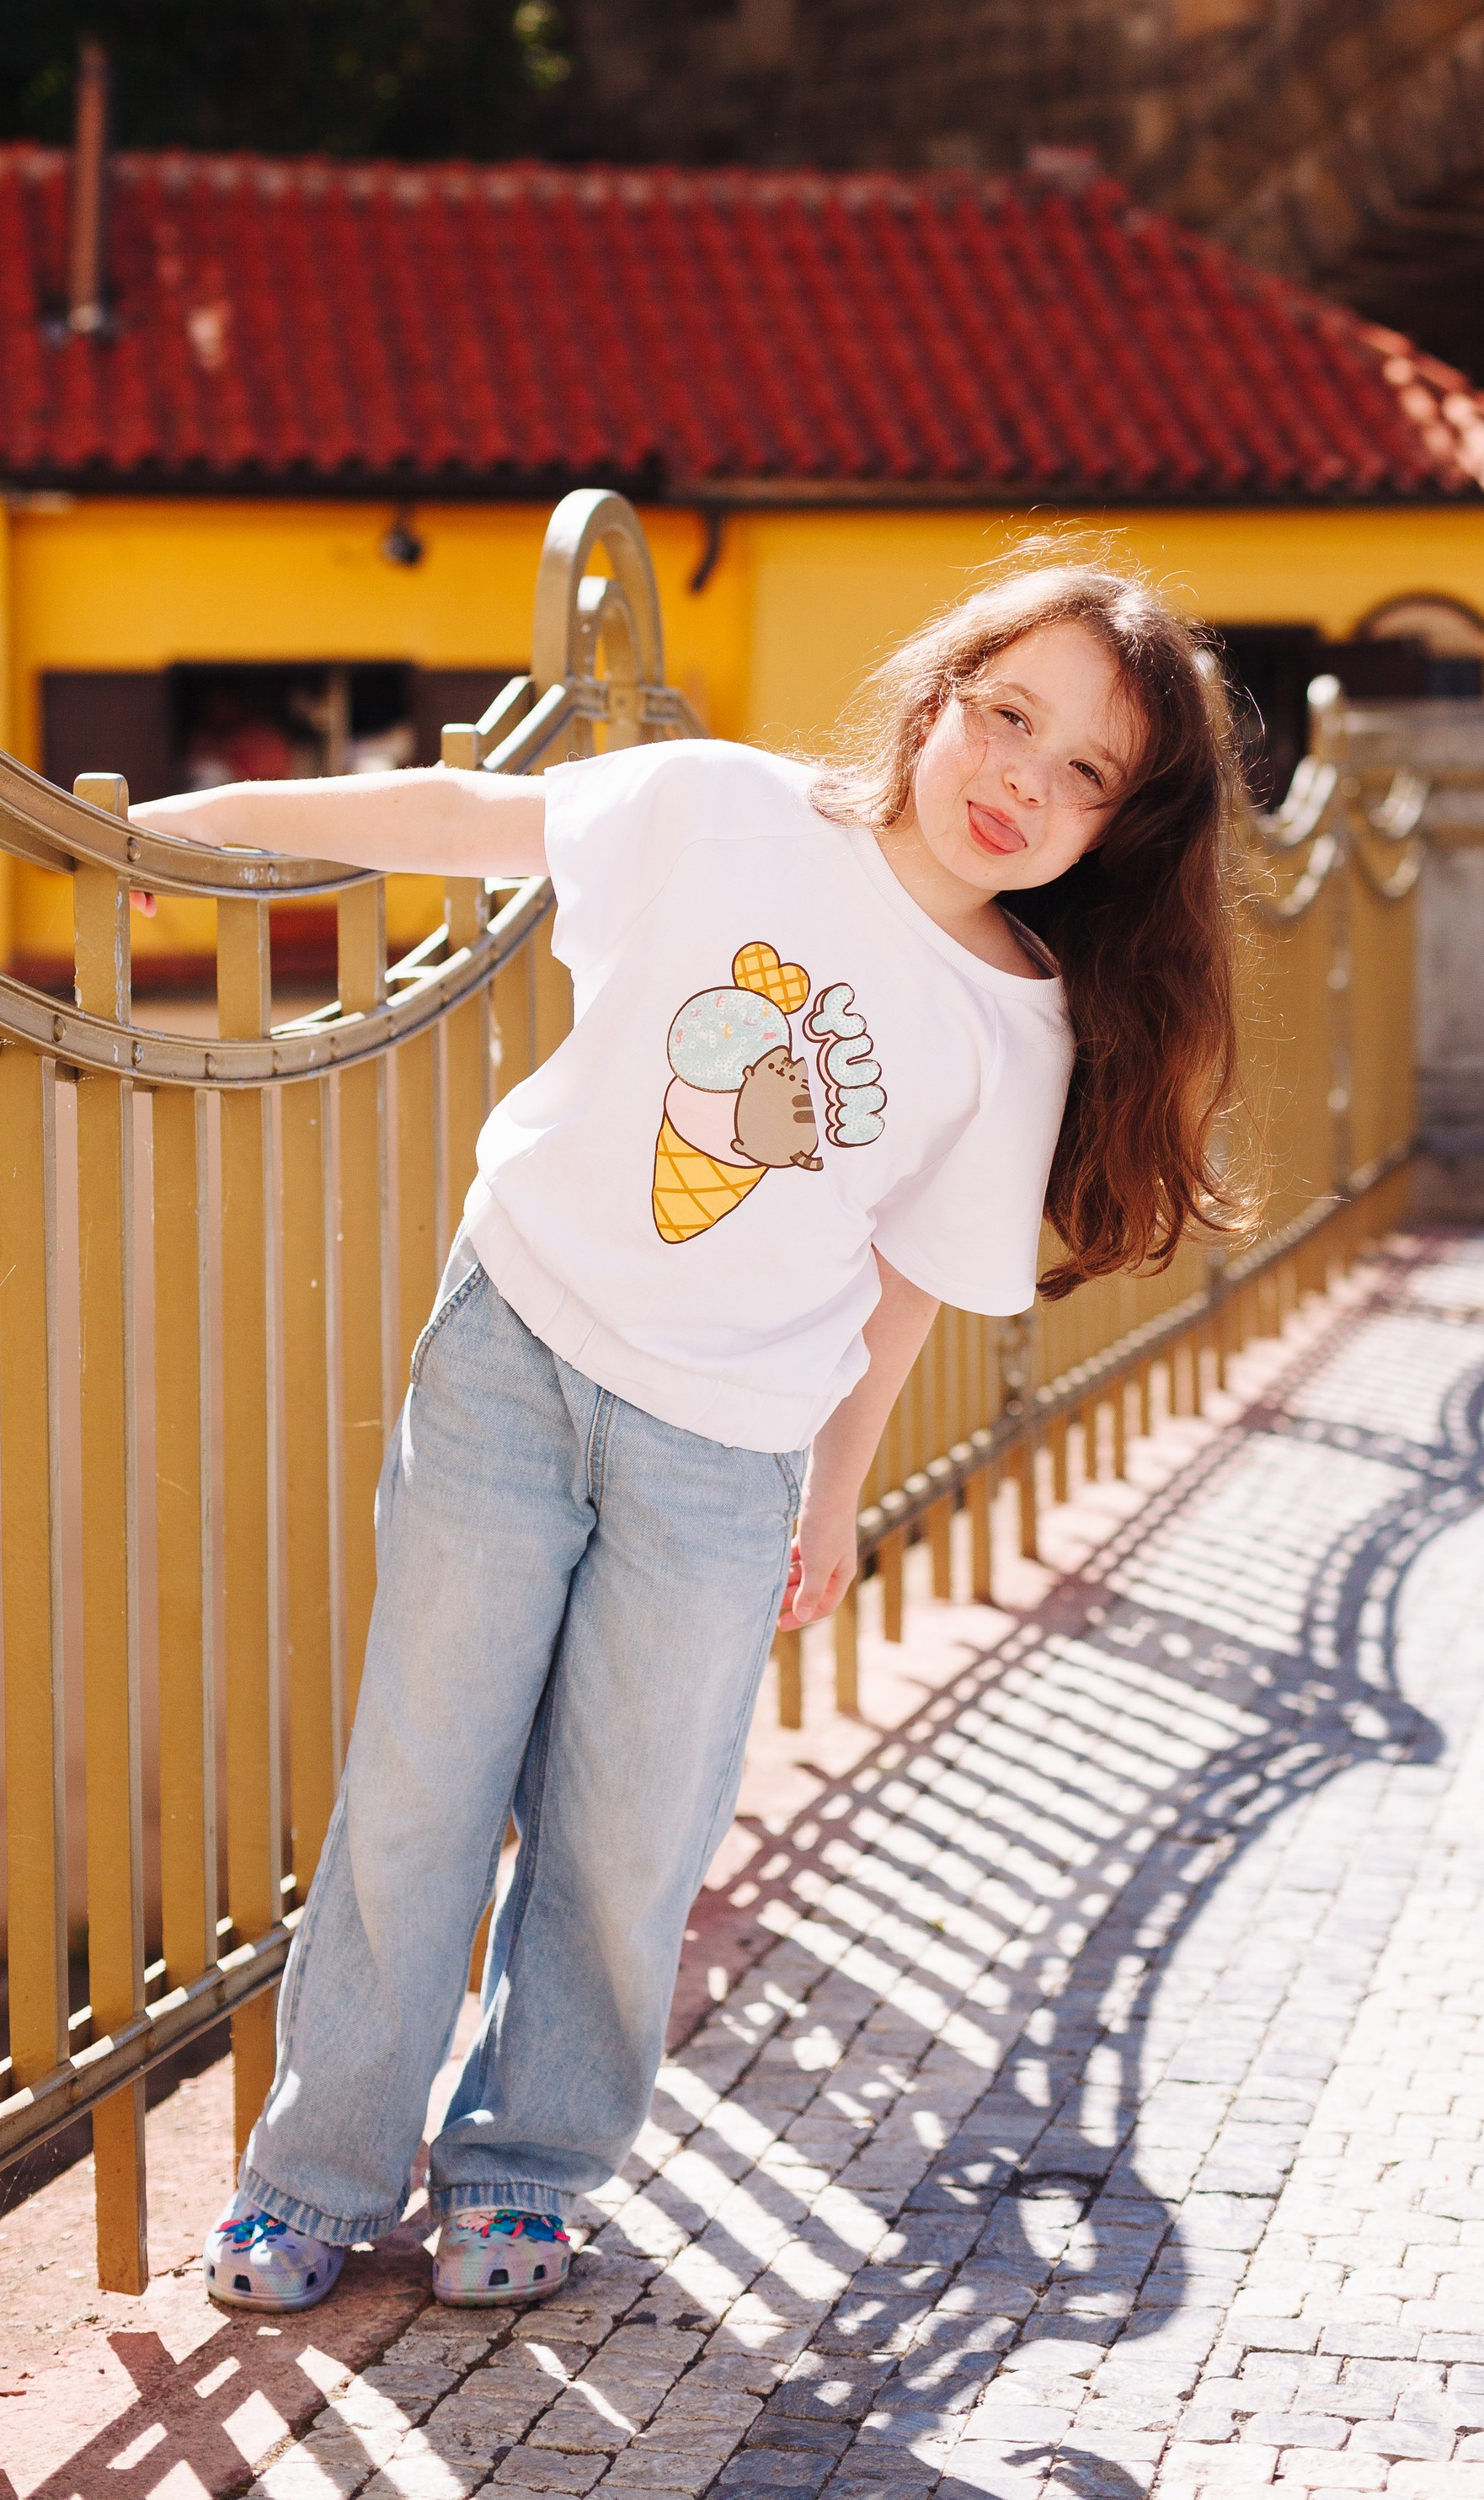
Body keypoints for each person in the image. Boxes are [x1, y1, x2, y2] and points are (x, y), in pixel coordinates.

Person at [130, 553, 1241, 2316]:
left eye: (1085, 770)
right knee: (420, 1781)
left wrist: (838, 1487)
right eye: (1006, 712)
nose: (1019, 778)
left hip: (722, 1452)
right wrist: (194, 822)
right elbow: (469, 814)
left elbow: (903, 1285)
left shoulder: (1016, 1023)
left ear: (1121, 827)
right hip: (513, 1349)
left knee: (625, 1829)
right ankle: (312, 2175)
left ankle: (527, 2167)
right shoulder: (724, 807)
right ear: (936, 690)